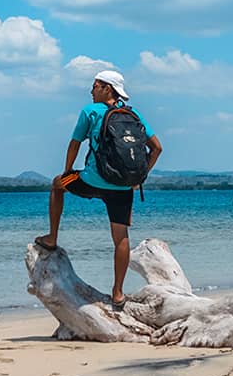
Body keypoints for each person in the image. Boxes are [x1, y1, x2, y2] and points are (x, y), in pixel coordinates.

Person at [34, 70, 162, 309]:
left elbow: (74, 143)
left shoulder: (89, 112)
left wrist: (67, 172)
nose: (91, 90)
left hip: (91, 180)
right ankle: (118, 293)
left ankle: (51, 238)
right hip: (123, 186)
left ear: (108, 89)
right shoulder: (132, 114)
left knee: (56, 185)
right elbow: (157, 148)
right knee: (121, 237)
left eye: (95, 86)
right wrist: (139, 177)